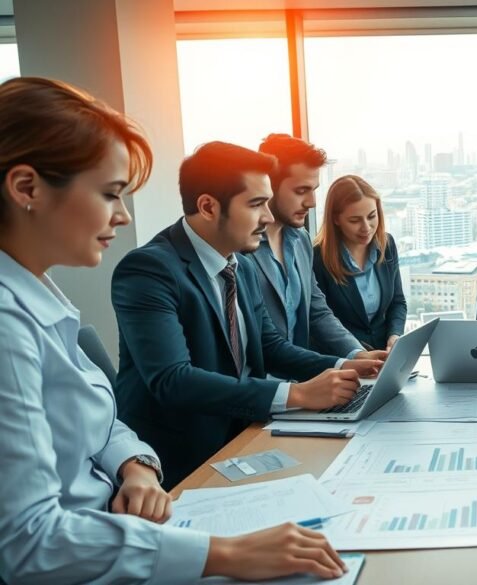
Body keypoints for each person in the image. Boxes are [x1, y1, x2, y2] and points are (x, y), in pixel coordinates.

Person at [0, 76, 347, 583]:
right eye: (111, 194)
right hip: (110, 536)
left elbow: (96, 415)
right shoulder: (11, 325)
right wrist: (226, 556)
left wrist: (132, 462)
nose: (122, 217)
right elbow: (30, 542)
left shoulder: (41, 297)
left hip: (134, 510)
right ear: (26, 188)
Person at [113, 141, 362, 488]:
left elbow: (271, 346)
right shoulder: (149, 270)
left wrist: (344, 366)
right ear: (208, 207)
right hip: (182, 460)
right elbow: (173, 380)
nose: (269, 217)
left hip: (247, 437)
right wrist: (297, 395)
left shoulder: (240, 265)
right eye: (257, 204)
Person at [251, 133, 386, 371]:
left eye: (314, 190)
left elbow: (317, 312)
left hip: (303, 381)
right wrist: (343, 365)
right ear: (269, 185)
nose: (312, 202)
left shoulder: (300, 240)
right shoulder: (243, 248)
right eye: (301, 191)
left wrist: (356, 355)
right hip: (263, 390)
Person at [312, 175, 407, 351]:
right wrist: (359, 355)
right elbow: (321, 323)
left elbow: (397, 301)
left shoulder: (387, 245)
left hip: (385, 356)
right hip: (344, 360)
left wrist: (395, 336)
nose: (366, 227)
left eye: (372, 216)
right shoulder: (317, 259)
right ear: (336, 219)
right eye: (355, 220)